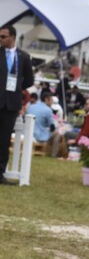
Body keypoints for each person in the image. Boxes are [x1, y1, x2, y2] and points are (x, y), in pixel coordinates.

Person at [0, 25, 34, 183]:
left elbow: (29, 80)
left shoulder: (24, 57)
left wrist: (16, 89)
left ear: (12, 37)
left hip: (11, 104)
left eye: (3, 36)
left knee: (4, 140)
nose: (0, 39)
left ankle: (0, 173)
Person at [26, 91, 61, 156]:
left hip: (26, 132)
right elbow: (52, 127)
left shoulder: (30, 106)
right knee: (57, 134)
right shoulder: (48, 110)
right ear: (46, 99)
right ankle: (53, 154)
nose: (52, 103)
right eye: (51, 100)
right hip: (38, 135)